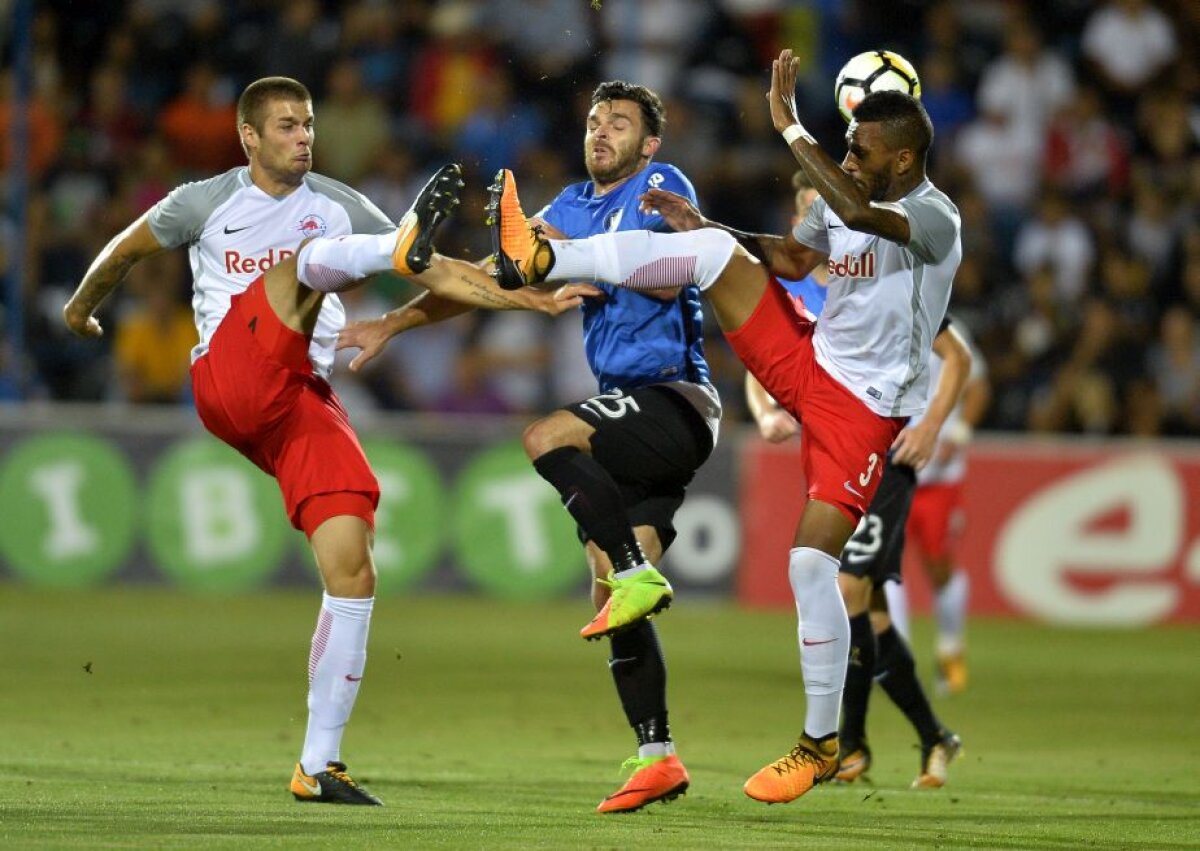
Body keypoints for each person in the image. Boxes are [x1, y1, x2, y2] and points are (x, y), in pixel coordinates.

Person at [61, 76, 572, 806]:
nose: (304, 136)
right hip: (229, 377)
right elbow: (123, 250)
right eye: (287, 126)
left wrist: (528, 297)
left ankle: (317, 764)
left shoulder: (336, 202)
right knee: (306, 263)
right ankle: (390, 249)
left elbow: (441, 275)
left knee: (354, 565)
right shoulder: (203, 201)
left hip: (301, 394)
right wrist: (81, 311)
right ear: (249, 137)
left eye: (308, 124)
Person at [490, 48, 962, 805]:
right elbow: (788, 254)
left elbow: (861, 213)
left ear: (902, 158)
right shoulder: (843, 203)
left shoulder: (935, 217)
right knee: (712, 250)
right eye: (843, 146)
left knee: (813, 569)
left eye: (860, 150)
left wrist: (791, 130)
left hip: (863, 412)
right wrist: (700, 223)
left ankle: (818, 743)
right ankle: (546, 256)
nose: (847, 156)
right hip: (807, 361)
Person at [337, 81, 718, 815]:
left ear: (649, 143)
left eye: (620, 123)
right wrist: (394, 321)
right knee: (611, 588)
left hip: (677, 398)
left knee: (546, 435)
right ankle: (658, 756)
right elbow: (490, 275)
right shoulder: (571, 204)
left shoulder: (660, 186)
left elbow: (668, 283)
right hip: (634, 421)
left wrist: (556, 258)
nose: (603, 130)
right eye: (595, 119)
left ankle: (639, 573)